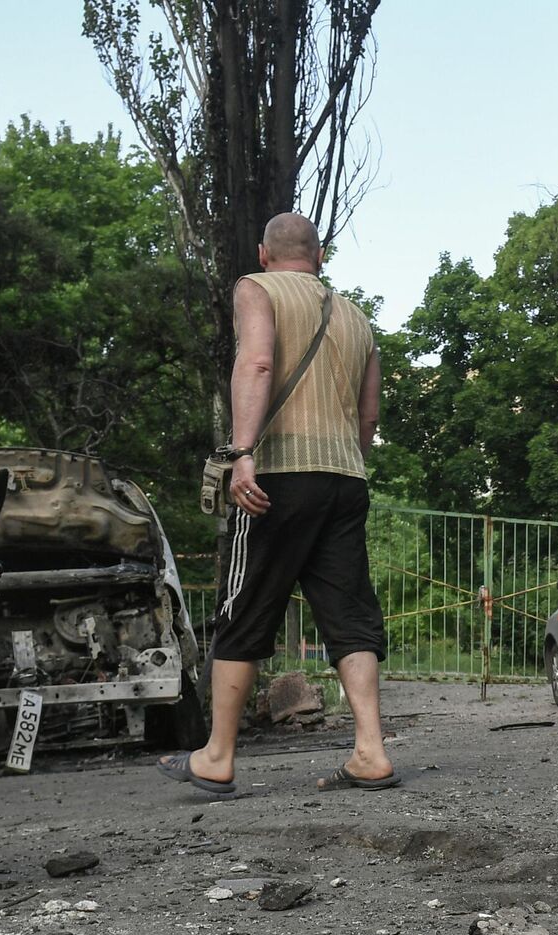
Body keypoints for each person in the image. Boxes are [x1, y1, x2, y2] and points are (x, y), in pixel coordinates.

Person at [157, 212, 397, 797]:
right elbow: (369, 413)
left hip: (277, 477)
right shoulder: (356, 314)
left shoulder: (254, 288)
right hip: (345, 478)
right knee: (348, 611)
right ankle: (370, 750)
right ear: (320, 256)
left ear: (265, 254)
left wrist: (243, 454)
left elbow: (258, 362)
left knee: (244, 606)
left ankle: (217, 756)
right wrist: (345, 461)